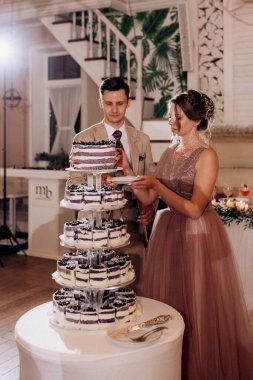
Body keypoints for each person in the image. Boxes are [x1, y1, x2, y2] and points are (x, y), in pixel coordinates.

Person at [121, 89, 253, 379]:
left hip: (196, 235)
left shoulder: (207, 156)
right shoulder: (169, 151)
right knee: (169, 304)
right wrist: (128, 170)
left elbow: (194, 209)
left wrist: (157, 185)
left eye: (177, 116)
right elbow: (147, 200)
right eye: (171, 115)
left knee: (196, 304)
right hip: (168, 232)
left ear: (196, 120)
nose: (171, 121)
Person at [68, 76, 156, 289]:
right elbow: (73, 183)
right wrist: (98, 183)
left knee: (134, 288)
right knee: (97, 289)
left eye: (119, 103)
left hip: (132, 227)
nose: (114, 109)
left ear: (128, 102)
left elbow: (150, 182)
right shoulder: (83, 138)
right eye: (108, 103)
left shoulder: (141, 140)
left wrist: (150, 207)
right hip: (94, 227)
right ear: (100, 102)